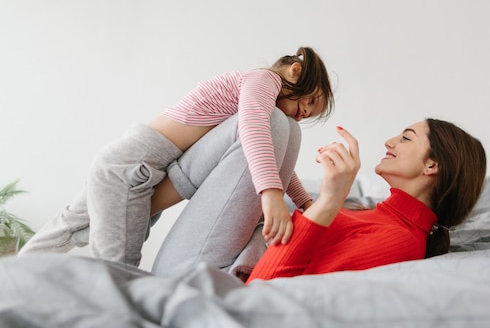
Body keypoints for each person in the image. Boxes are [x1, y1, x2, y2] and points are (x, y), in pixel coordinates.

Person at [19, 46, 335, 267]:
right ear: (295, 71)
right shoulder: (264, 81)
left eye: (308, 115)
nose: (303, 113)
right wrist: (271, 194)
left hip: (124, 160)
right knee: (117, 270)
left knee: (66, 227)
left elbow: (271, 156)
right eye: (308, 101)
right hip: (131, 169)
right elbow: (254, 129)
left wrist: (305, 201)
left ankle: (13, 277)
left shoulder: (259, 92)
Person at [150, 116, 486, 282]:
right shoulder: (382, 216)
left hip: (207, 277)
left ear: (432, 165)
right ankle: (141, 202)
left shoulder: (399, 241)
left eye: (406, 137)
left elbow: (266, 286)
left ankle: (141, 201)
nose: (390, 141)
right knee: (285, 127)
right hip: (223, 252)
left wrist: (328, 201)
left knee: (273, 123)